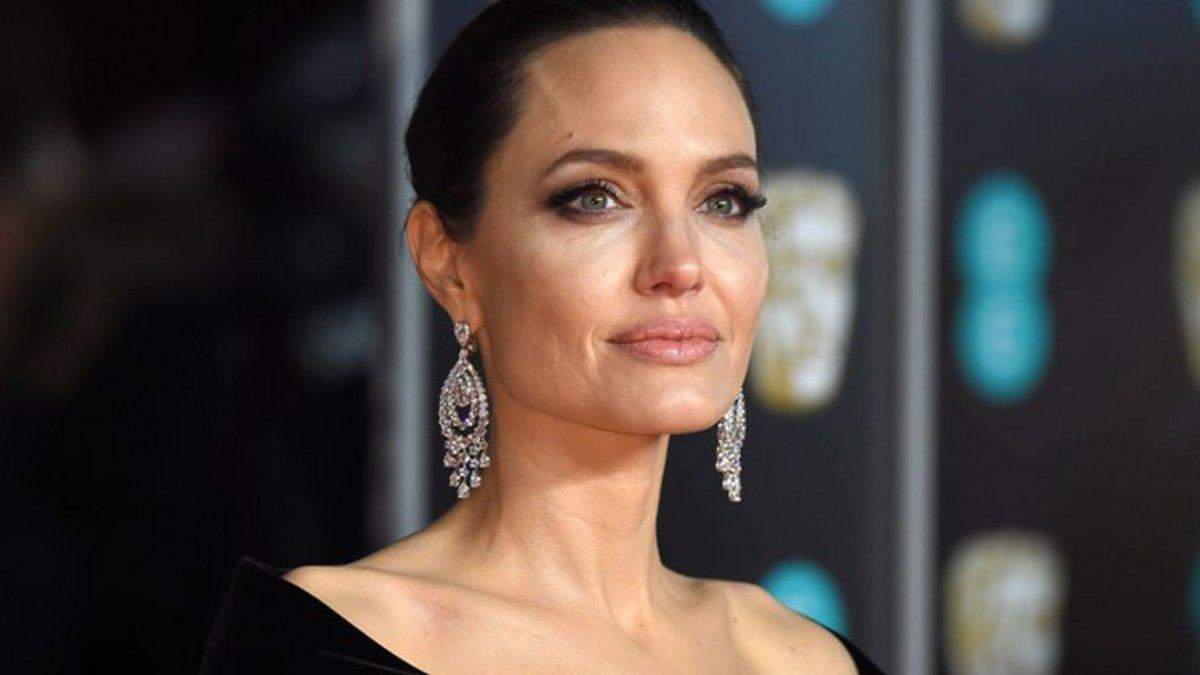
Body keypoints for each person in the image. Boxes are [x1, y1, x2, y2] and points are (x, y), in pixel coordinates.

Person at [201, 1, 886, 672]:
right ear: (447, 262)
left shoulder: (807, 658)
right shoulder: (328, 641)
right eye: (595, 198)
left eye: (723, 200)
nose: (680, 265)